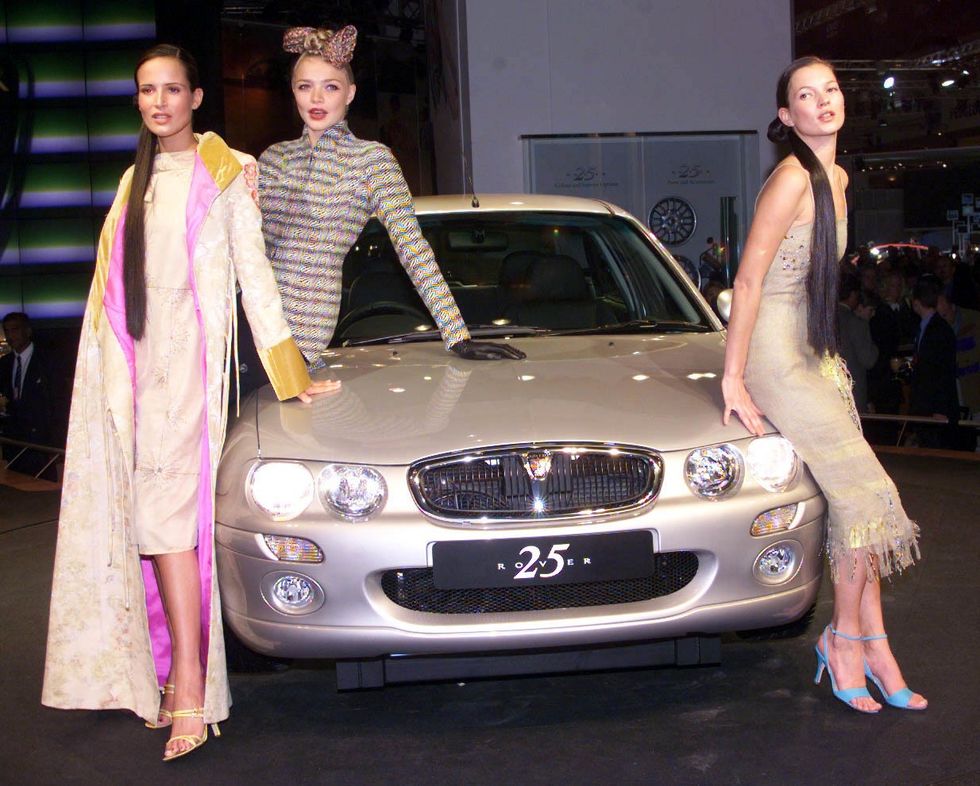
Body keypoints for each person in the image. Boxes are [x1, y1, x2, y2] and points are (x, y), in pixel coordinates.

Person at [41, 44, 335, 762]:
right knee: (147, 522)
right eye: (148, 91)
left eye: (172, 89)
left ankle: (193, 686)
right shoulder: (131, 181)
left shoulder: (227, 170)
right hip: (131, 376)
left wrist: (290, 372)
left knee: (167, 523)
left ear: (197, 97)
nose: (160, 102)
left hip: (187, 376)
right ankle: (168, 673)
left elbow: (254, 277)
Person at [721, 56, 925, 713]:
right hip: (772, 354)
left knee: (853, 501)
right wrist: (734, 377)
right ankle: (845, 639)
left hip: (808, 349)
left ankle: (872, 642)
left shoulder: (835, 177)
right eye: (806, 96)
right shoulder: (791, 179)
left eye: (830, 89)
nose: (823, 101)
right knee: (869, 495)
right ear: (787, 116)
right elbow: (747, 281)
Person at [258, 25, 523, 369]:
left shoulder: (372, 161)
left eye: (331, 87)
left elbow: (412, 246)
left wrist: (458, 335)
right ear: (293, 91)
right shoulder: (273, 158)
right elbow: (249, 246)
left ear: (350, 93)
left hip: (304, 320)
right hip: (249, 311)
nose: (316, 98)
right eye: (305, 86)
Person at [0, 311, 59, 478]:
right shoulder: (5, 363)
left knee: (42, 486)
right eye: (7, 331)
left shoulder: (47, 361)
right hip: (14, 443)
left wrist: (56, 443)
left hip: (41, 443)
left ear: (28, 331)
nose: (10, 336)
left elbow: (57, 403)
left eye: (15, 330)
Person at [910, 277, 960, 448]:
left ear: (917, 303)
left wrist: (940, 408)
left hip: (934, 405)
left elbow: (944, 371)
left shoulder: (938, 330)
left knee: (935, 448)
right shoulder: (929, 327)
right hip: (927, 402)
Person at [837, 274, 878, 413]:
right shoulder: (856, 323)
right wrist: (875, 347)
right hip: (852, 392)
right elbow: (868, 360)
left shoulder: (825, 319)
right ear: (853, 294)